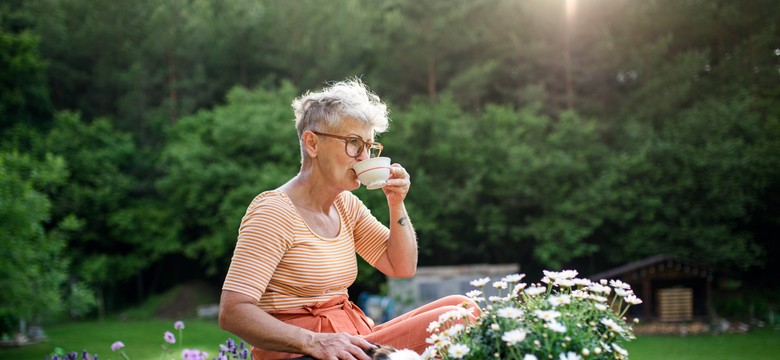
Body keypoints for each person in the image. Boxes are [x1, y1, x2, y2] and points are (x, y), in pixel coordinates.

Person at [218, 78, 478, 360]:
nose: (364, 157)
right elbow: (233, 311)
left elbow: (401, 266)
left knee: (463, 306)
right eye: (353, 143)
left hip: (352, 341)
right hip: (306, 354)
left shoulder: (346, 205)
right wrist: (315, 342)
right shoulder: (274, 211)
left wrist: (396, 203)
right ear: (312, 143)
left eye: (368, 146)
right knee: (456, 320)